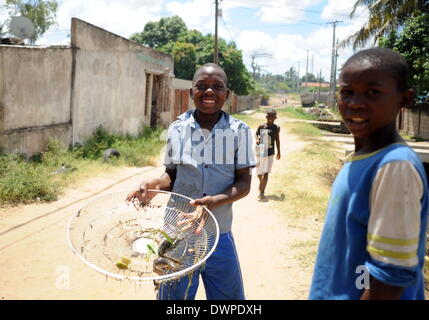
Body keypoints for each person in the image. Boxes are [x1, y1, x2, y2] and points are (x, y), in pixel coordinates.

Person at [127, 63, 255, 300]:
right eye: (202, 86)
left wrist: (214, 201)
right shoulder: (177, 128)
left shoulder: (240, 131)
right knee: (174, 298)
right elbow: (171, 175)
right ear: (191, 92)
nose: (209, 91)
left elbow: (244, 183)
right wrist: (154, 184)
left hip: (219, 233)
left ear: (226, 95)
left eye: (217, 87)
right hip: (177, 235)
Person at [309, 47, 428, 300]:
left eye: (373, 93)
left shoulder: (395, 166)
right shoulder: (361, 159)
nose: (355, 103)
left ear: (404, 99)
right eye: (347, 92)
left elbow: (390, 278)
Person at [255, 108, 281, 200]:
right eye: (269, 116)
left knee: (265, 173)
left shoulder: (276, 128)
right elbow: (256, 134)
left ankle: (262, 192)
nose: (270, 118)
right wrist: (258, 139)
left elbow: (277, 140)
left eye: (272, 117)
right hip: (261, 151)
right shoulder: (262, 126)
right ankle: (261, 183)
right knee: (258, 173)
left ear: (275, 118)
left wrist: (279, 152)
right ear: (266, 117)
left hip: (270, 153)